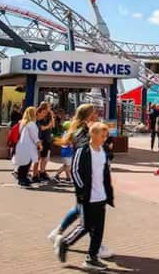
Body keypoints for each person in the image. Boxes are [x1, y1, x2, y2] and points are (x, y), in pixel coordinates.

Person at [48, 104, 114, 260]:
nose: (97, 114)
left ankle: (57, 233)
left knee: (80, 210)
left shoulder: (83, 129)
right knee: (90, 218)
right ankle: (92, 247)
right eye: (94, 113)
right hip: (88, 182)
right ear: (89, 115)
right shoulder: (83, 133)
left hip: (91, 181)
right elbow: (88, 149)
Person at [12, 106, 41, 187]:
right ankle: (22, 179)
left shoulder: (23, 123)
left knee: (24, 163)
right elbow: (35, 137)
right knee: (27, 163)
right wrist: (40, 144)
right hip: (29, 146)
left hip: (21, 145)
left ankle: (22, 178)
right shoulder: (31, 124)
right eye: (35, 113)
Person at [35, 102, 55, 182]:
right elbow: (41, 128)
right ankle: (35, 173)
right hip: (41, 138)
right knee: (38, 157)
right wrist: (48, 126)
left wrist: (52, 116)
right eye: (49, 106)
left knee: (45, 157)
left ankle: (42, 171)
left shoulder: (49, 115)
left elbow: (52, 125)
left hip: (47, 138)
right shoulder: (39, 114)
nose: (50, 108)